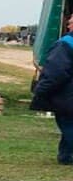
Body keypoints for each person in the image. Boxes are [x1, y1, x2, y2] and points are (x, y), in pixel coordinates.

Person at [31, 13, 73, 164]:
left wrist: (40, 91)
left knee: (68, 124)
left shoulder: (65, 44)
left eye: (71, 22)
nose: (68, 25)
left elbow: (56, 73)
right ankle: (65, 157)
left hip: (67, 96)